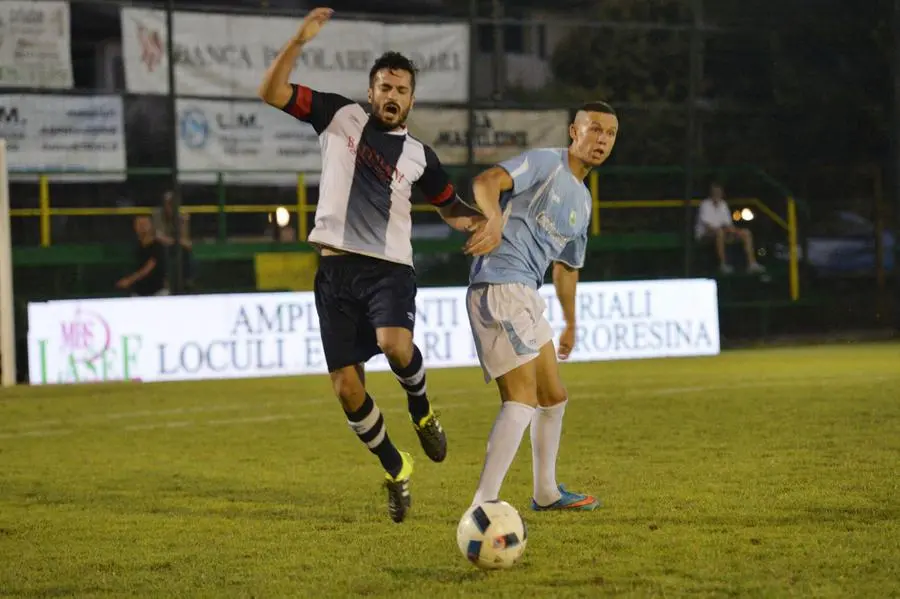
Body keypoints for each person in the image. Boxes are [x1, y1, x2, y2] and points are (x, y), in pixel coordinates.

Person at [258, 7, 482, 523]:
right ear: (371, 89)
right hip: (334, 272)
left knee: (393, 344)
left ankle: (422, 409)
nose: (391, 95)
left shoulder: (420, 157)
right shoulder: (338, 115)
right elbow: (271, 93)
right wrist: (297, 40)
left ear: (411, 99)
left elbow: (450, 207)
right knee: (345, 387)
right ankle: (396, 466)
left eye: (401, 89)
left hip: (388, 269)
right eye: (384, 86)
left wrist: (482, 221)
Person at [461, 103, 620, 512]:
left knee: (553, 395)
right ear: (574, 131)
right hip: (500, 284)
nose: (602, 140)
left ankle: (546, 493)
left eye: (610, 134)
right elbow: (486, 182)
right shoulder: (546, 162)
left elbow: (566, 268)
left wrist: (569, 322)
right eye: (595, 129)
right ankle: (484, 504)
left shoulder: (583, 201)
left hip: (526, 293)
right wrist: (493, 218)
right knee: (521, 398)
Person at [695, 183, 766, 274]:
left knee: (745, 232)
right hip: (705, 235)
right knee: (720, 233)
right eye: (715, 192)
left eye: (719, 192)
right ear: (711, 193)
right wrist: (724, 231)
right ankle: (723, 265)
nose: (717, 194)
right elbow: (708, 227)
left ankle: (752, 264)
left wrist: (734, 231)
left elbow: (728, 224)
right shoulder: (705, 204)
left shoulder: (723, 204)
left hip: (723, 232)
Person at [116, 216, 168, 297]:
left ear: (151, 226)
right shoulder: (136, 246)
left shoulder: (157, 246)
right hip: (139, 292)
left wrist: (129, 280)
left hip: (157, 293)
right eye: (139, 224)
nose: (142, 227)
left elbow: (147, 268)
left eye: (145, 224)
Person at [152, 190, 194, 289]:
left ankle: (187, 281)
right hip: (160, 247)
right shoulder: (157, 214)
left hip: (175, 246)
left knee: (186, 253)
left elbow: (187, 243)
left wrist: (183, 224)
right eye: (169, 204)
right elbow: (158, 236)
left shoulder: (181, 216)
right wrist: (177, 241)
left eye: (174, 204)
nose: (171, 207)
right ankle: (164, 281)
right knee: (163, 251)